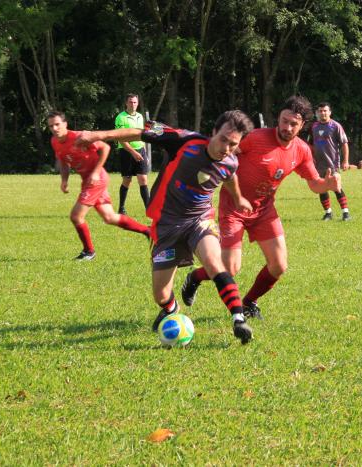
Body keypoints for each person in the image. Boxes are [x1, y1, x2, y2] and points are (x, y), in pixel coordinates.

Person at [76, 111, 256, 344]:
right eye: (223, 139)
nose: (226, 148)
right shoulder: (184, 140)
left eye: (233, 144)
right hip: (167, 224)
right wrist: (95, 135)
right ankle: (170, 309)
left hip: (200, 219)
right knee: (160, 294)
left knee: (214, 262)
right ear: (213, 132)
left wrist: (239, 198)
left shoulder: (231, 161)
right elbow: (140, 132)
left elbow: (230, 176)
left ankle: (238, 319)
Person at [181, 95, 341, 321]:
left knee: (279, 265)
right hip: (234, 207)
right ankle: (195, 277)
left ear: (302, 125)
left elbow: (314, 183)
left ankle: (249, 302)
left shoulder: (301, 150)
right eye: (284, 120)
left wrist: (328, 185)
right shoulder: (255, 138)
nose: (286, 127)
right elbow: (225, 152)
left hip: (264, 210)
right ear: (279, 117)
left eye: (293, 124)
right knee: (230, 268)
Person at [47, 111, 151, 261]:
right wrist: (64, 180)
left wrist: (96, 172)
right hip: (87, 181)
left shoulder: (79, 137)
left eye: (57, 124)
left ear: (65, 124)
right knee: (109, 217)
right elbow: (64, 162)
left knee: (76, 216)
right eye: (51, 126)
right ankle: (148, 231)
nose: (55, 128)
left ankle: (89, 252)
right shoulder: (55, 142)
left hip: (97, 180)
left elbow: (105, 148)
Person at [308, 101, 351, 221]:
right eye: (320, 111)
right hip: (318, 164)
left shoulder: (335, 126)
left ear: (330, 112)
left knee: (336, 187)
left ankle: (345, 213)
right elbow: (310, 144)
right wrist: (311, 158)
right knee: (321, 188)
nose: (323, 113)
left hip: (332, 164)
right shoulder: (314, 127)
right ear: (317, 113)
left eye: (325, 111)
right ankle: (328, 213)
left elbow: (344, 144)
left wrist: (346, 160)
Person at [114, 93, 149, 214]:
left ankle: (149, 210)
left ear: (137, 103)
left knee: (143, 179)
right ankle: (121, 208)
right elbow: (121, 139)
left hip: (140, 150)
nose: (133, 104)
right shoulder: (120, 118)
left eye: (135, 102)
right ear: (126, 103)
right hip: (126, 152)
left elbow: (141, 136)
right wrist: (133, 152)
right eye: (130, 102)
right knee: (127, 180)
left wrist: (144, 152)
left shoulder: (140, 116)